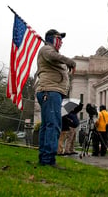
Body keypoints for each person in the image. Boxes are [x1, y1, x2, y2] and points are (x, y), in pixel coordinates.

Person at [35, 29, 76, 168]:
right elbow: (54, 56)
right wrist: (70, 62)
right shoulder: (47, 49)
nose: (61, 42)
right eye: (59, 38)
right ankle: (49, 159)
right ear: (52, 38)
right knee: (53, 125)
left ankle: (44, 158)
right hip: (50, 91)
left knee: (47, 125)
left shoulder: (48, 51)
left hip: (50, 91)